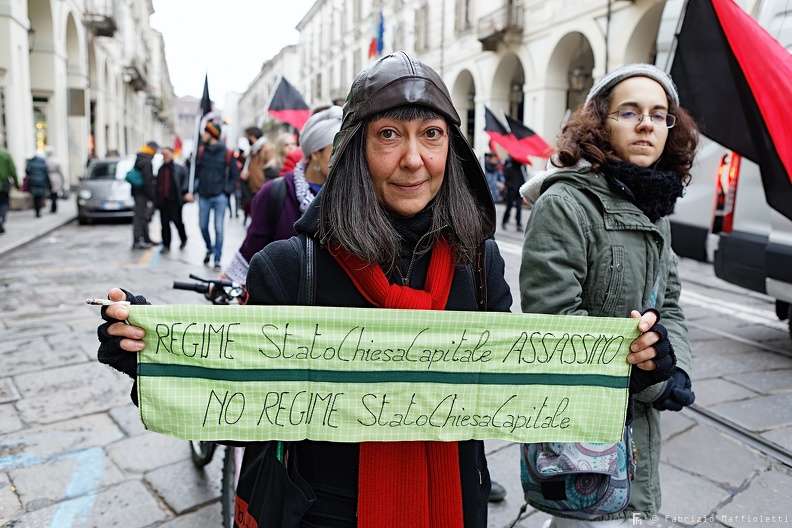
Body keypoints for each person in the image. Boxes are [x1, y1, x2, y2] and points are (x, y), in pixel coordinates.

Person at [95, 51, 665, 528]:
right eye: (389, 135)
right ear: (354, 152)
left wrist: (627, 366)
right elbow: (234, 398)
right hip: (320, 515)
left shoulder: (482, 264)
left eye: (431, 135)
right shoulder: (288, 269)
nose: (413, 159)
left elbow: (519, 384)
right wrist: (153, 354)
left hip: (455, 507)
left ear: (452, 151)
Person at [518, 63, 698, 526]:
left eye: (660, 115)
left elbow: (670, 303)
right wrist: (645, 370)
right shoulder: (566, 204)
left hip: (639, 431)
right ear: (599, 122)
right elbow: (554, 326)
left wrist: (673, 367)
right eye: (630, 112)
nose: (646, 124)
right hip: (584, 439)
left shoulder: (657, 209)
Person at [224, 105, 342, 284]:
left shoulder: (356, 195)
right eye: (337, 151)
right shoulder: (275, 192)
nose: (344, 160)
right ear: (316, 153)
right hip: (283, 306)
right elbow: (253, 249)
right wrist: (231, 282)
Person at [185, 120, 240, 270]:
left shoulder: (228, 153)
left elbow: (235, 175)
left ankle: (217, 258)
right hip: (203, 195)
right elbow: (193, 173)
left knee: (219, 228)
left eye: (205, 132)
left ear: (212, 134)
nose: (202, 135)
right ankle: (210, 247)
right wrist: (189, 190)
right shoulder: (201, 152)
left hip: (219, 196)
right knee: (202, 226)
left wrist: (226, 191)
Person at [155, 146, 189, 252]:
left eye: (167, 154)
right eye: (163, 155)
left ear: (172, 154)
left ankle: (183, 239)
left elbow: (185, 181)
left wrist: (184, 193)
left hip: (175, 201)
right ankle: (166, 244)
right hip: (163, 201)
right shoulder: (161, 169)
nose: (165, 157)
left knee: (178, 222)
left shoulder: (179, 168)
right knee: (164, 224)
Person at [132, 141, 158, 249]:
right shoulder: (147, 161)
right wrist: (151, 196)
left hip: (138, 192)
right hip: (142, 193)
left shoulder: (140, 156)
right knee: (140, 217)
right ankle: (138, 240)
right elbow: (147, 180)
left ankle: (146, 238)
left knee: (143, 216)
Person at [0, 132, 19, 234]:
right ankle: (1, 218)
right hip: (3, 184)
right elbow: (13, 170)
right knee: (3, 203)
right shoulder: (5, 153)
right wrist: (17, 184)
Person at [500, 156, 525, 231]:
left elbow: (523, 179)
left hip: (519, 191)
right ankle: (504, 221)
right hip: (511, 191)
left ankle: (518, 223)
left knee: (519, 207)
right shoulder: (509, 167)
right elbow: (505, 179)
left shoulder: (521, 168)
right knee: (509, 207)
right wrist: (511, 186)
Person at [24, 152, 50, 218]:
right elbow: (46, 173)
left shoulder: (31, 162)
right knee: (40, 196)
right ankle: (39, 211)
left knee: (35, 197)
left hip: (33, 181)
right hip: (41, 181)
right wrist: (47, 183)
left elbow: (27, 171)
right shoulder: (43, 163)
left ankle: (36, 210)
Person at [44, 146, 65, 213]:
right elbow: (60, 171)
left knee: (52, 193)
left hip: (50, 177)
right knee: (54, 193)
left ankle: (53, 207)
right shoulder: (56, 160)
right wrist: (63, 179)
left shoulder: (46, 160)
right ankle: (54, 206)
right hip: (55, 177)